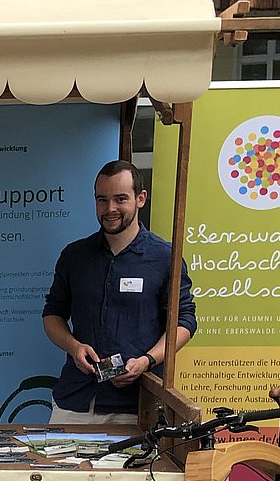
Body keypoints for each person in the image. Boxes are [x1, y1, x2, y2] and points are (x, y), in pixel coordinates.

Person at [42, 159, 196, 425]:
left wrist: (147, 360)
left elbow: (184, 322)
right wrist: (74, 346)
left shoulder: (165, 257)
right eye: (102, 200)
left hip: (135, 406)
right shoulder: (74, 256)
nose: (110, 208)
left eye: (120, 199)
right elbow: (52, 314)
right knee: (56, 467)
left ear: (140, 199)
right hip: (74, 400)